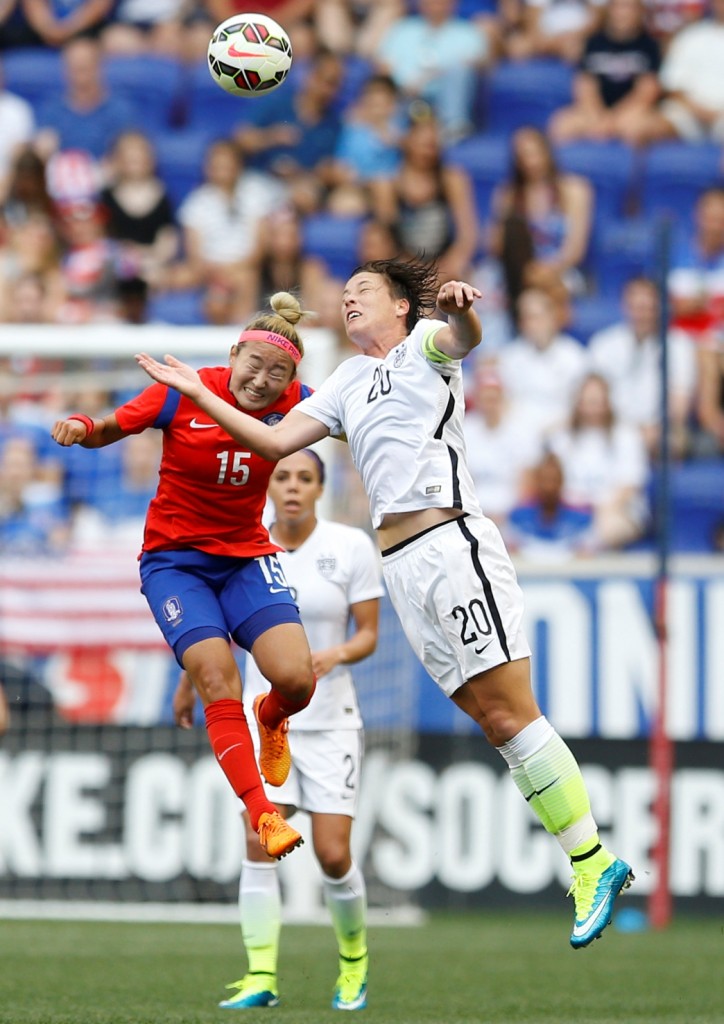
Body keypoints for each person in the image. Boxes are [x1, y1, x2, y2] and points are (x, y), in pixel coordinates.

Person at [136, 257, 634, 950]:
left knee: (514, 709)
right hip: (401, 565)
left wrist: (458, 307)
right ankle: (589, 863)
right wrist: (197, 392)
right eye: (343, 295)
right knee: (493, 720)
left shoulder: (423, 346)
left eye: (362, 291)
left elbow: (464, 336)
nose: (348, 301)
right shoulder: (344, 380)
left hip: (451, 544)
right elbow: (274, 439)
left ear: (401, 306)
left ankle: (592, 862)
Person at [51, 292, 319, 861]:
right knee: (218, 681)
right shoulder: (182, 390)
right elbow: (110, 427)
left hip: (246, 555)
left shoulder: (301, 404)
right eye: (255, 363)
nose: (264, 379)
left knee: (296, 679)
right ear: (233, 355)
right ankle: (263, 815)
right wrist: (80, 424)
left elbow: (358, 422)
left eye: (279, 372)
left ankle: (272, 718)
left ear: (292, 380)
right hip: (176, 562)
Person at [185, 448, 381, 1011]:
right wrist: (187, 687)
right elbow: (212, 634)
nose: (292, 487)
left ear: (321, 487)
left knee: (333, 855)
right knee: (258, 841)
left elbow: (368, 633)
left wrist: (333, 654)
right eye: (283, 477)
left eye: (305, 478)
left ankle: (353, 962)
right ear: (267, 487)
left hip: (330, 721)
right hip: (260, 717)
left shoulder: (349, 547)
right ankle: (261, 976)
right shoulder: (240, 545)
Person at [489, 127, 593, 307]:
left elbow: (576, 248)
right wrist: (526, 269)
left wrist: (549, 270)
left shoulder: (575, 190)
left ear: (547, 152)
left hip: (561, 270)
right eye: (523, 156)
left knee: (553, 291)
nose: (530, 162)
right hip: (518, 273)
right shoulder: (507, 195)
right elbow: (495, 245)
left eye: (534, 154)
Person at [548, 0, 662, 146]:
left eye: (629, 8)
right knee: (561, 124)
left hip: (630, 113)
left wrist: (613, 120)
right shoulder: (594, 42)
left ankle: (630, 167)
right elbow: (585, 84)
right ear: (610, 10)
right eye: (619, 7)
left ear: (640, 12)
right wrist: (598, 117)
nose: (623, 13)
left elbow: (647, 91)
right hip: (595, 112)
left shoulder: (649, 45)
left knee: (637, 128)